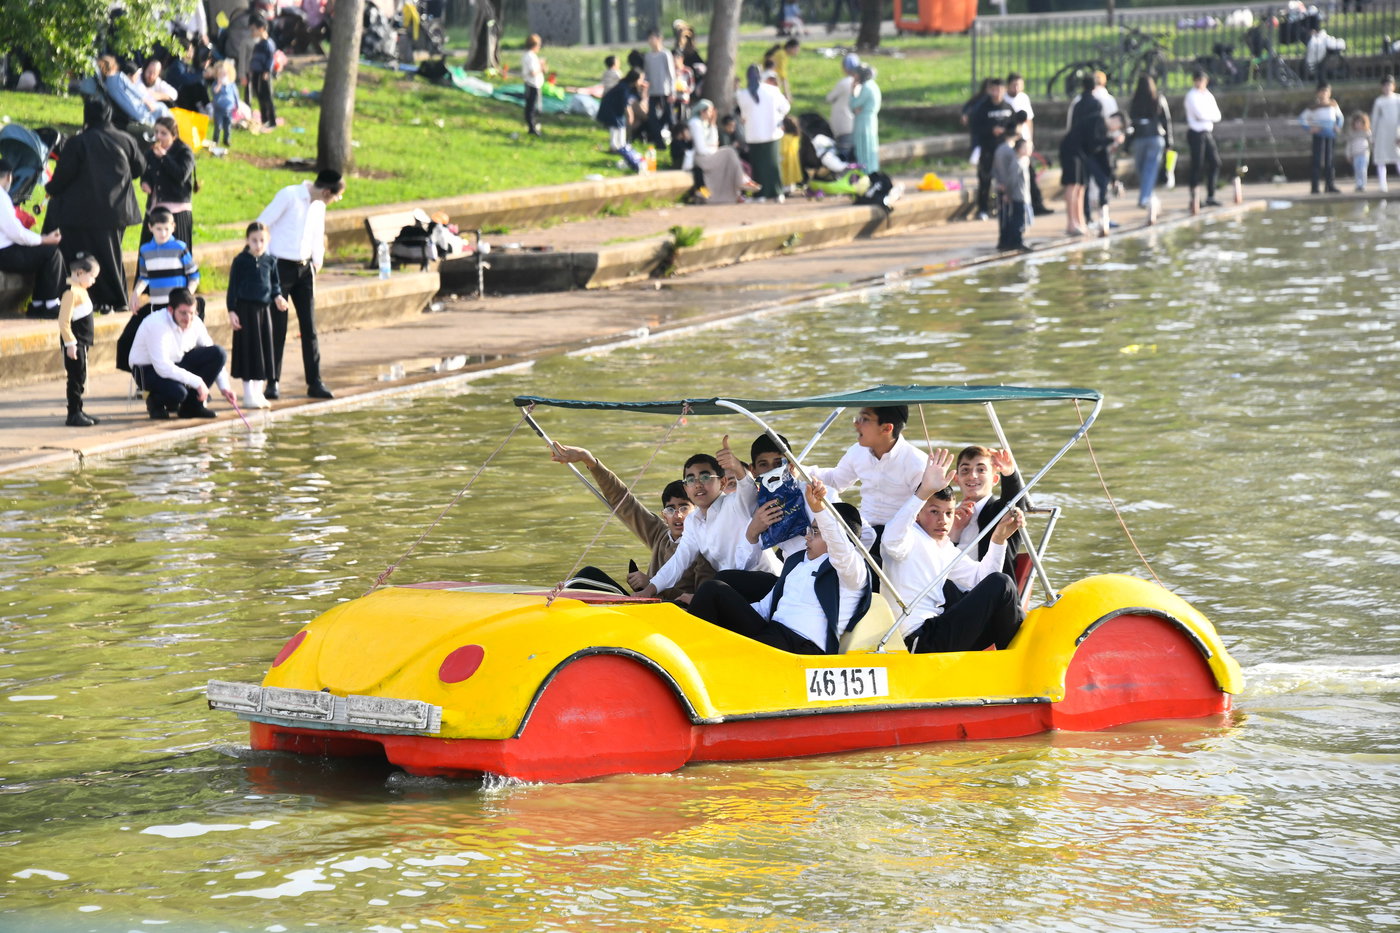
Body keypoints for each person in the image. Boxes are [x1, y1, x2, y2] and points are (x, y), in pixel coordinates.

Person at [687, 479, 870, 655]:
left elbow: (840, 547)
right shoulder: (798, 563)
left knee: (732, 646)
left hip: (800, 647)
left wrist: (820, 511)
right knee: (713, 590)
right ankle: (686, 653)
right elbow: (764, 609)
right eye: (810, 530)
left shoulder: (852, 569)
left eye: (815, 532)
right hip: (773, 633)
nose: (807, 537)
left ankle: (694, 661)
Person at [882, 450, 1026, 654]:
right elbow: (891, 538)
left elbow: (982, 579)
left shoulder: (943, 546)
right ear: (917, 514)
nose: (943, 520)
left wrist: (998, 539)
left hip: (938, 629)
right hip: (918, 640)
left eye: (949, 513)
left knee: (999, 586)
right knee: (1002, 583)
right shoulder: (907, 537)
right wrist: (924, 491)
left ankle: (1014, 659)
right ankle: (1017, 660)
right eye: (934, 512)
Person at [549, 444, 715, 600]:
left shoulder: (704, 546)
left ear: (696, 511)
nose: (677, 516)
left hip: (675, 616)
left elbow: (702, 601)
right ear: (664, 515)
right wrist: (589, 460)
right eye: (671, 509)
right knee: (587, 576)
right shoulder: (660, 533)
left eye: (684, 508)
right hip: (641, 605)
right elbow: (623, 501)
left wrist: (651, 583)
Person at [43, 97, 146, 314]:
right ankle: (116, 299)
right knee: (110, 254)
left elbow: (63, 176)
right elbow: (138, 169)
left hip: (82, 212)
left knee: (81, 254)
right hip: (116, 211)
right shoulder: (125, 139)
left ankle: (81, 297)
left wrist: (50, 188)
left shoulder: (78, 142)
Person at [257, 169, 345, 400]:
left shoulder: (319, 206)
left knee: (310, 327)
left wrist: (317, 262)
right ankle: (272, 381)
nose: (336, 200)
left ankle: (314, 381)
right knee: (278, 327)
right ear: (327, 192)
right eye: (336, 196)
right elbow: (262, 224)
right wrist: (265, 260)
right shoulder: (289, 195)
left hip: (305, 269)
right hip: (280, 266)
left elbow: (317, 234)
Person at [632, 453, 755, 601]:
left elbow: (749, 492)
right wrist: (649, 590)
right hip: (733, 591)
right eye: (691, 479)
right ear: (686, 488)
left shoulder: (735, 504)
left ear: (722, 483)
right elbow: (678, 561)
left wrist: (737, 468)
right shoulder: (692, 521)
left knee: (716, 584)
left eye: (704, 477)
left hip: (762, 585)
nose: (697, 484)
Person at [810, 405, 925, 555]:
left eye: (865, 419)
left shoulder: (917, 462)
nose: (856, 424)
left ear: (886, 428)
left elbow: (926, 511)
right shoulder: (858, 450)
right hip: (865, 532)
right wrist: (798, 469)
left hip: (900, 538)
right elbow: (836, 481)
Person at [129, 286, 238, 420]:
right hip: (146, 369)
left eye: (191, 313)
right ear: (171, 310)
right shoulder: (156, 324)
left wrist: (224, 388)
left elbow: (211, 351)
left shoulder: (195, 322)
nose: (188, 318)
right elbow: (162, 367)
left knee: (218, 353)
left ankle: (192, 408)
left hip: (176, 362)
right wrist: (197, 382)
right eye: (183, 313)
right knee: (179, 393)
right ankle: (155, 401)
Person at [227, 221, 287, 409]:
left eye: (262, 240)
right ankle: (248, 394)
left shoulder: (270, 261)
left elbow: (275, 284)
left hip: (264, 312)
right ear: (247, 240)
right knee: (248, 351)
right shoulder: (240, 261)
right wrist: (232, 311)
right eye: (254, 240)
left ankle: (258, 392)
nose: (258, 245)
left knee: (263, 351)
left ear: (268, 240)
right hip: (245, 312)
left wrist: (278, 297)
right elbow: (233, 288)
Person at [0, 157, 65, 319]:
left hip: (6, 250)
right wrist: (45, 239)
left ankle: (38, 304)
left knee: (42, 252)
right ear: (8, 177)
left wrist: (40, 239)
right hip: (5, 253)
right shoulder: (1, 197)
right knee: (51, 253)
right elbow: (16, 233)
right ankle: (50, 303)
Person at [953, 444, 1027, 575]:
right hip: (950, 589)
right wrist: (954, 531)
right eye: (965, 470)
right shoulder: (948, 516)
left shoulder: (1000, 513)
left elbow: (1014, 500)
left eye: (981, 470)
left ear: (994, 479)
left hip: (988, 589)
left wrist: (1009, 473)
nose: (972, 476)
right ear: (956, 479)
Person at [1060, 76, 1109, 236]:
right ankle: (1072, 223)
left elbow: (1070, 124)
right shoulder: (1096, 104)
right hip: (1078, 148)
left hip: (1077, 147)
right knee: (1074, 185)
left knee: (1081, 186)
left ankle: (1079, 220)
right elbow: (1094, 132)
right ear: (1094, 88)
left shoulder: (1077, 103)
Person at [140, 116, 197, 248]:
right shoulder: (151, 151)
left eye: (163, 133)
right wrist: (145, 182)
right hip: (154, 209)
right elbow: (146, 172)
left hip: (177, 212)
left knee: (176, 252)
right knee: (148, 249)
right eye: (156, 132)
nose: (158, 136)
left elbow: (181, 175)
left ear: (174, 135)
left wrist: (165, 157)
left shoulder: (184, 151)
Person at [57, 254, 100, 427]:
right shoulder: (71, 292)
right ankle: (73, 413)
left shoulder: (80, 290)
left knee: (80, 375)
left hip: (82, 342)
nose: (93, 281)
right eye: (92, 277)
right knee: (75, 377)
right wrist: (70, 344)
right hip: (75, 343)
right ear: (80, 273)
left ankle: (79, 409)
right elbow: (63, 321)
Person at [967, 77, 1019, 221]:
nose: (997, 93)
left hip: (1004, 148)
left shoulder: (1008, 107)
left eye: (999, 90)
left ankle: (1003, 207)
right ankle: (983, 209)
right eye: (994, 90)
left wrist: (1011, 134)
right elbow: (975, 128)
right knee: (985, 179)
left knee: (1005, 179)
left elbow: (1013, 126)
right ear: (989, 90)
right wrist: (991, 130)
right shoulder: (981, 108)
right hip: (987, 148)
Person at [737, 64, 790, 201]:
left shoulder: (743, 94)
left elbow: (743, 116)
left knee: (758, 165)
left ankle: (760, 194)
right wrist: (779, 118)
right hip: (771, 132)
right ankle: (777, 192)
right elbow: (786, 107)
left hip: (753, 134)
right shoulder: (772, 90)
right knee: (772, 164)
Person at [689, 100, 753, 204]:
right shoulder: (695, 123)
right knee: (729, 152)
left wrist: (713, 124)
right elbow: (701, 149)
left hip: (709, 155)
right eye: (710, 111)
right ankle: (742, 181)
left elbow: (714, 142)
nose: (711, 114)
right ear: (702, 111)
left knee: (730, 157)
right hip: (701, 158)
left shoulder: (705, 123)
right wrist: (713, 148)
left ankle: (738, 193)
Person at [1128, 74, 1172, 225]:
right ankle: (1146, 197)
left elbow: (1131, 122)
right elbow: (1166, 121)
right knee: (1149, 169)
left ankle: (1145, 197)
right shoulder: (1158, 99)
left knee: (1144, 170)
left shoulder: (1135, 101)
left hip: (1139, 139)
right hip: (1154, 138)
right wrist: (1168, 142)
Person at [1006, 72, 1051, 216]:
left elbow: (1029, 121)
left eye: (1019, 84)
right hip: (1012, 141)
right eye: (1014, 85)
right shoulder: (1005, 100)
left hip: (1024, 142)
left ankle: (1036, 204)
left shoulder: (1024, 98)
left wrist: (1030, 140)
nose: (1017, 88)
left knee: (1030, 174)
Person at [1184, 69, 1223, 208]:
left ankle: (1211, 195)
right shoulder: (1191, 96)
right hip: (1196, 133)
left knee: (1215, 162)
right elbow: (1199, 115)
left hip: (1207, 132)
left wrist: (1208, 115)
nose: (1201, 83)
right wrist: (1208, 114)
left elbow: (1217, 115)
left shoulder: (1208, 95)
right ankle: (1195, 198)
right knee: (1197, 165)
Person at [597, 69, 648, 172]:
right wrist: (630, 115)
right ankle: (615, 147)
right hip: (610, 108)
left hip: (616, 109)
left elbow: (638, 99)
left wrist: (643, 90)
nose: (642, 81)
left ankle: (620, 146)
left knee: (619, 125)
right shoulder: (623, 87)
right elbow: (626, 104)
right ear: (635, 79)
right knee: (616, 125)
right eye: (641, 79)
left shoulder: (630, 87)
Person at [1299, 84, 1344, 195]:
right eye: (1322, 91)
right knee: (1317, 161)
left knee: (1330, 161)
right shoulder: (1313, 107)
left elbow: (1340, 117)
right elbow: (1301, 119)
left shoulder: (1333, 104)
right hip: (1319, 135)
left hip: (1330, 135)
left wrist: (1337, 126)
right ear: (1318, 93)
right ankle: (1315, 187)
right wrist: (1310, 129)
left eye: (1326, 92)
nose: (1324, 94)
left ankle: (1330, 185)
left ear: (1329, 93)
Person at [97, 55, 164, 125]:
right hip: (140, 110)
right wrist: (146, 101)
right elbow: (133, 90)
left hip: (131, 114)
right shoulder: (119, 76)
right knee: (161, 107)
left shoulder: (106, 85)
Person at [993, 135, 1031, 252]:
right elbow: (1012, 181)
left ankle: (1015, 241)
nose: (1028, 150)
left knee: (1019, 219)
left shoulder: (1023, 162)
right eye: (1026, 147)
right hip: (1017, 196)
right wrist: (1008, 194)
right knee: (1018, 220)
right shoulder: (1017, 163)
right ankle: (1017, 241)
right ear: (1019, 149)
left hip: (1022, 196)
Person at [643, 30, 675, 147]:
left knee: (669, 117)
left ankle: (675, 141)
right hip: (652, 92)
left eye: (653, 38)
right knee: (652, 118)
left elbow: (671, 74)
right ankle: (658, 142)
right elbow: (646, 73)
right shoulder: (648, 56)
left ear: (659, 39)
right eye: (649, 39)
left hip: (665, 92)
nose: (651, 41)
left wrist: (673, 92)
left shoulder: (665, 54)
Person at [849, 64, 882, 173]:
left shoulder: (867, 88)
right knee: (871, 148)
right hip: (870, 121)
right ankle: (871, 172)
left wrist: (852, 91)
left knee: (864, 150)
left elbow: (853, 104)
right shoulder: (873, 86)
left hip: (864, 122)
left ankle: (865, 173)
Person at [1370, 75, 1400, 192]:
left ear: (1393, 86)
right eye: (1385, 86)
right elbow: (1375, 119)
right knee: (1381, 159)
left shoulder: (1398, 99)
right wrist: (1373, 135)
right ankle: (1383, 185)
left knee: (1398, 157)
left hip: (1395, 132)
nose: (1387, 88)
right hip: (1382, 133)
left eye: (1389, 85)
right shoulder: (1379, 101)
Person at [826, 53, 858, 160]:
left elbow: (829, 98)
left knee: (843, 154)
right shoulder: (861, 83)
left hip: (843, 123)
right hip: (855, 123)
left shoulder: (844, 83)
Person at [248, 16, 277, 132]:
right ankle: (264, 119)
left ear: (262, 29)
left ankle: (272, 120)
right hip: (256, 72)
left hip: (263, 74)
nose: (252, 32)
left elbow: (270, 59)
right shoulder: (258, 44)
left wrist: (266, 71)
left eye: (254, 29)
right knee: (259, 95)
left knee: (267, 96)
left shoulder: (268, 44)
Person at [520, 33, 545, 138]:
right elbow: (533, 72)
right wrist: (541, 65)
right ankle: (532, 128)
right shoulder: (529, 56)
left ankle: (534, 125)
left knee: (534, 107)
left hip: (535, 84)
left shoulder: (531, 55)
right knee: (531, 108)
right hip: (531, 85)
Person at [211, 60, 239, 149]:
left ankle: (226, 140)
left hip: (229, 109)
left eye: (224, 73)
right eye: (220, 74)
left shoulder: (231, 85)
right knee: (218, 126)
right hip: (218, 109)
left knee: (228, 126)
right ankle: (216, 140)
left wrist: (237, 105)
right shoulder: (216, 84)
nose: (223, 75)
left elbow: (236, 95)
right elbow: (214, 92)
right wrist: (219, 84)